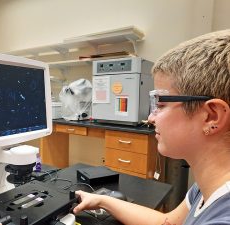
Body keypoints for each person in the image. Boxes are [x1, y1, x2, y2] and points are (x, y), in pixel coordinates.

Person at [73, 30, 230, 225]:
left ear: (211, 116)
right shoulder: (210, 186)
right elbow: (166, 221)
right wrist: (103, 200)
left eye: (160, 105)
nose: (150, 118)